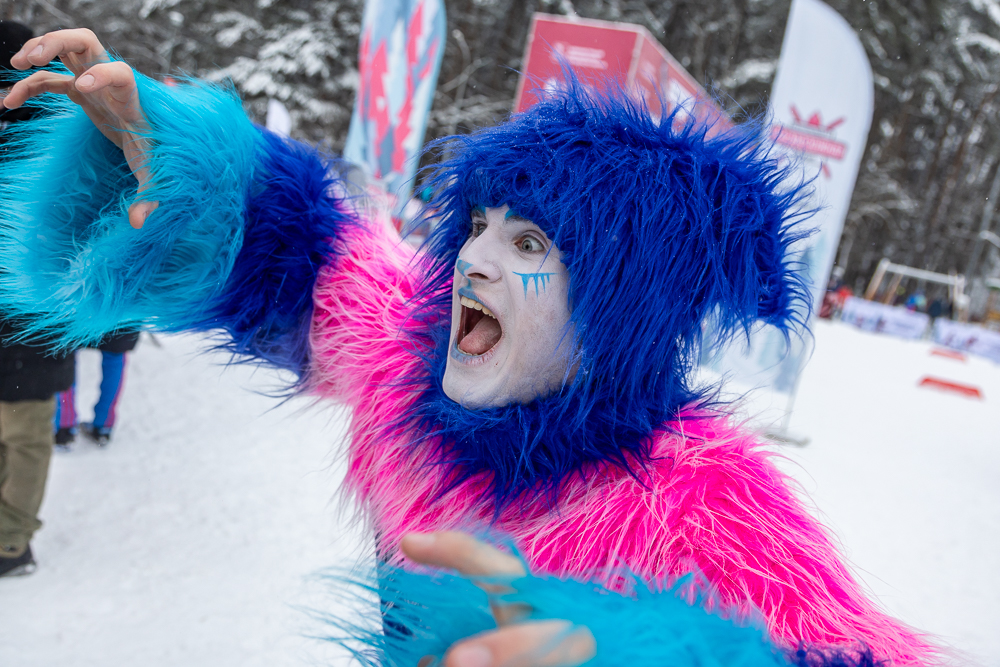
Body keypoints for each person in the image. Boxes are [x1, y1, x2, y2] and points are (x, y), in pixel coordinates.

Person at [0, 29, 942, 665]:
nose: (475, 258)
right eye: (481, 222)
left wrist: (637, 644)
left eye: (531, 243)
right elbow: (300, 253)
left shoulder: (709, 511)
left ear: (621, 310)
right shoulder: (410, 370)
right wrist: (164, 150)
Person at [0, 19, 77, 579]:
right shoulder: (63, 127)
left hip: (31, 310)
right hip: (36, 310)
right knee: (26, 435)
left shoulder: (56, 127)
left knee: (22, 434)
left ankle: (9, 540)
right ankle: (10, 539)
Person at [54, 330, 140, 447]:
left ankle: (64, 428)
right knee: (115, 354)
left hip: (77, 314)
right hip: (121, 315)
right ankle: (103, 426)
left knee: (65, 350)